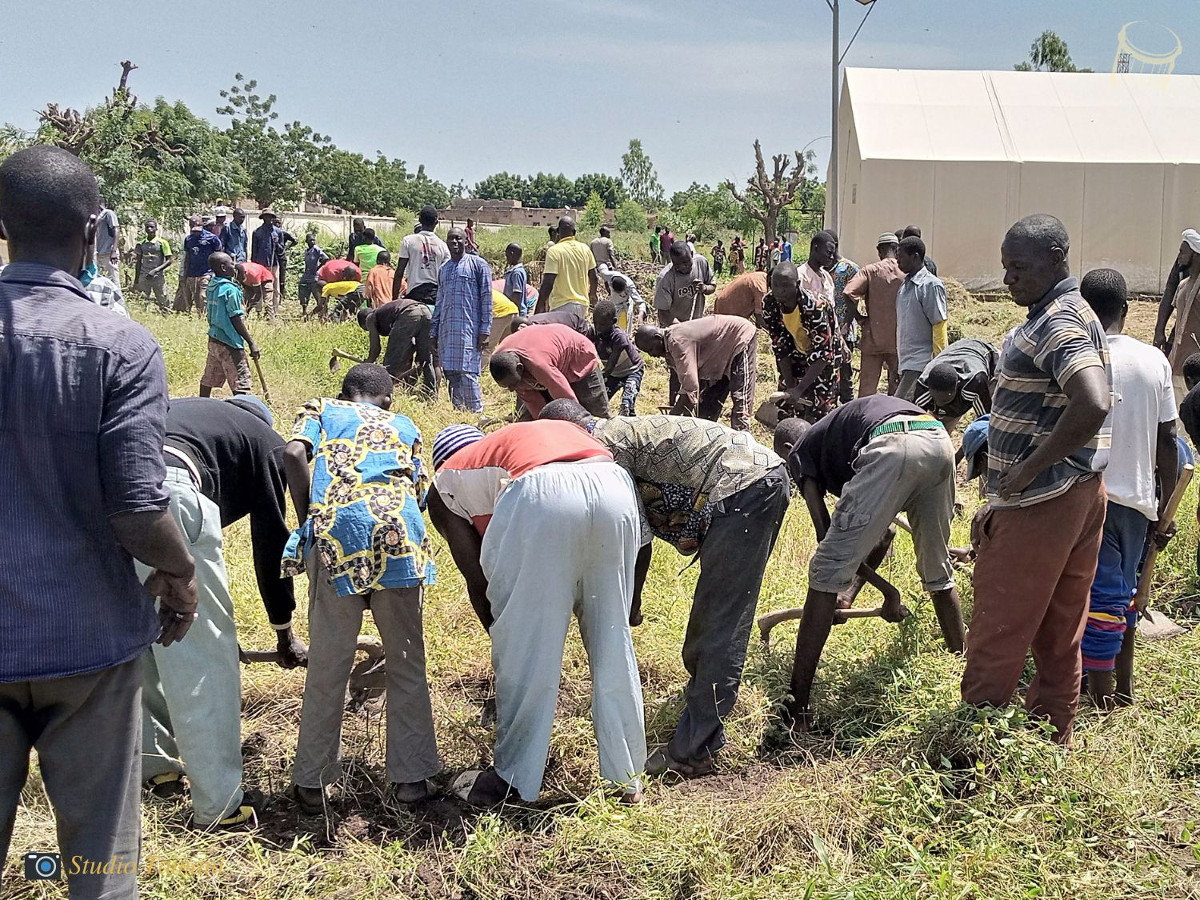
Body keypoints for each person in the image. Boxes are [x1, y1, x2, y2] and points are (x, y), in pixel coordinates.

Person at [0, 144, 198, 900]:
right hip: (85, 642)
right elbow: (138, 507)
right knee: (101, 862)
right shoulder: (121, 345)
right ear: (96, 232)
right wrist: (179, 576)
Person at [539, 402, 790, 776]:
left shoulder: (603, 449)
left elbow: (637, 537)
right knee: (711, 618)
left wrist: (632, 603)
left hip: (744, 487)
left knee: (721, 621)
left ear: (564, 433)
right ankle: (700, 716)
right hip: (749, 483)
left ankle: (694, 751)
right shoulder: (614, 436)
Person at [427, 420, 646, 805]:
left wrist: (507, 640)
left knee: (527, 649)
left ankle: (512, 781)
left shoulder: (444, 484)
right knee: (612, 641)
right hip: (613, 483)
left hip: (541, 493)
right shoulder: (510, 446)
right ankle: (626, 779)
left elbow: (479, 580)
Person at [960, 214, 1111, 747]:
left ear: (1055, 258)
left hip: (1042, 501)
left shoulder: (1058, 321)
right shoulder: (1066, 312)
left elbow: (1092, 400)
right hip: (1078, 495)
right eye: (1005, 267)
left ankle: (971, 756)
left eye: (1019, 267)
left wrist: (1026, 468)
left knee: (998, 628)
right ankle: (1051, 737)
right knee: (1058, 629)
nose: (1008, 279)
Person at [140, 396, 306, 829]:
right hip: (168, 494)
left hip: (110, 495)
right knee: (203, 653)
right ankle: (219, 807)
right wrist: (284, 630)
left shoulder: (192, 419)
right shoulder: (266, 440)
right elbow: (271, 542)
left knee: (141, 638)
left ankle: (157, 768)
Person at [282, 364, 439, 810]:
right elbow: (421, 491)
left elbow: (294, 454)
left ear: (344, 393)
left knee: (330, 660)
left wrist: (310, 518)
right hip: (399, 536)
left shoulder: (322, 408)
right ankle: (410, 781)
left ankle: (312, 784)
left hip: (338, 534)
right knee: (406, 659)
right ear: (388, 400)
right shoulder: (405, 424)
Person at [773, 398, 966, 727]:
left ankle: (798, 708)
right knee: (938, 570)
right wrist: (848, 595)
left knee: (824, 572)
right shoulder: (839, 435)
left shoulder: (802, 452)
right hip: (938, 440)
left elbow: (827, 541)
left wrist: (887, 592)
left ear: (789, 448)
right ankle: (968, 676)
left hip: (894, 443)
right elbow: (882, 534)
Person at [1077, 269, 1179, 708]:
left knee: (1099, 598)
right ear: (1126, 310)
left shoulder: (1078, 355)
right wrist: (1164, 507)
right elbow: (1169, 442)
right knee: (1127, 595)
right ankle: (1123, 688)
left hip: (1086, 495)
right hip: (1138, 500)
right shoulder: (1154, 360)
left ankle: (1098, 700)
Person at [635, 315, 757, 431]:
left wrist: (669, 421)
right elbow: (689, 386)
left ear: (658, 337)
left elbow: (690, 388)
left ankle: (743, 444)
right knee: (706, 409)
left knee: (741, 401)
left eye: (651, 349)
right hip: (718, 355)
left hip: (740, 337)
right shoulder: (668, 348)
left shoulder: (677, 341)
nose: (652, 355)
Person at [762, 259, 845, 423]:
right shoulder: (770, 303)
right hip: (795, 354)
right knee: (787, 407)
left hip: (823, 358)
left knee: (821, 413)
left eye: (785, 286)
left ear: (797, 284)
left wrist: (800, 389)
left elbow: (825, 353)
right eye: (775, 285)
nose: (779, 291)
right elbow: (780, 346)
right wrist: (791, 386)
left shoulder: (815, 307)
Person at [491, 323, 607, 419]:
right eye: (507, 387)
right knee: (530, 421)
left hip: (578, 357)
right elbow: (537, 409)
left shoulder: (539, 364)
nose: (511, 390)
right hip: (549, 360)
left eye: (513, 384)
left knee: (595, 415)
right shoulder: (500, 360)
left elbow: (569, 403)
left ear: (520, 368)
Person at [432, 226, 493, 411]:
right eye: (451, 239)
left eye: (459, 238)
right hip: (447, 330)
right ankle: (458, 413)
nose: (455, 242)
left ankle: (475, 413)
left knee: (468, 372)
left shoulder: (478, 265)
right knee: (450, 372)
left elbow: (487, 298)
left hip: (470, 330)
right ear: (446, 242)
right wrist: (433, 331)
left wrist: (485, 330)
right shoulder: (444, 269)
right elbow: (439, 301)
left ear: (466, 241)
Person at [843, 233, 903, 396]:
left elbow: (849, 292)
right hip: (899, 340)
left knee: (867, 390)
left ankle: (865, 419)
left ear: (879, 250)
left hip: (873, 338)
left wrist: (860, 318)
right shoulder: (906, 272)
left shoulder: (870, 271)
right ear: (897, 250)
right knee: (897, 389)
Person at [894, 236, 948, 401]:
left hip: (921, 363)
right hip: (906, 361)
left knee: (901, 408)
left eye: (901, 257)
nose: (897, 261)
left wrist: (938, 363)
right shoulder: (905, 285)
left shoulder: (930, 285)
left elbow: (939, 324)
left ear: (915, 256)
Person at [200, 252, 259, 397]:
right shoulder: (231, 290)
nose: (235, 267)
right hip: (229, 341)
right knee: (241, 381)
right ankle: (243, 411)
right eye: (231, 264)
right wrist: (251, 343)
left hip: (214, 339)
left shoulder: (212, 285)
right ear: (223, 268)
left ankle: (201, 404)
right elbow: (235, 318)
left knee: (209, 377)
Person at [1152, 228, 1200, 399]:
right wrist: (1159, 331)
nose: (1179, 255)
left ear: (1194, 253)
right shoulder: (1183, 284)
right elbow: (1170, 289)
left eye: (1182, 252)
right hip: (1178, 355)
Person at [914, 338, 1000, 429]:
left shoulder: (975, 383)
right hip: (955, 350)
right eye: (936, 400)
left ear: (957, 385)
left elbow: (986, 420)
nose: (940, 404)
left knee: (995, 420)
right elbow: (913, 424)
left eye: (944, 400)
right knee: (938, 431)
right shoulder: (922, 387)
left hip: (984, 353)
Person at [359, 298, 436, 395]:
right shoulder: (385, 313)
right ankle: (431, 395)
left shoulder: (370, 318)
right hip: (425, 311)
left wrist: (367, 363)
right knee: (426, 360)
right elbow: (410, 347)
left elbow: (375, 349)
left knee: (390, 363)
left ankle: (383, 395)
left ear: (363, 322)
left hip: (408, 313)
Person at [590, 299, 644, 416]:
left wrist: (599, 378)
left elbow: (610, 365)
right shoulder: (595, 333)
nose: (598, 327)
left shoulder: (619, 337)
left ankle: (629, 423)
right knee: (599, 402)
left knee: (627, 403)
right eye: (595, 323)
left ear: (613, 321)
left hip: (632, 371)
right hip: (614, 374)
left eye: (602, 324)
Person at [537, 216, 597, 312]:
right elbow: (594, 276)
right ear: (574, 233)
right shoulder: (585, 249)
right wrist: (592, 294)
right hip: (582, 306)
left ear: (558, 232)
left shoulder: (554, 251)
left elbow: (548, 282)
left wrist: (539, 307)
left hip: (561, 306)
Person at [395, 205, 450, 307]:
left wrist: (394, 301)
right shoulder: (443, 246)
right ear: (436, 222)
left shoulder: (408, 241)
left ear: (419, 220)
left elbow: (399, 273)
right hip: (435, 298)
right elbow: (447, 276)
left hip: (414, 296)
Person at [654, 240, 716, 325]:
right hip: (674, 327)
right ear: (672, 262)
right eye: (678, 265)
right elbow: (663, 313)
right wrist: (682, 329)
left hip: (697, 324)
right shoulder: (665, 278)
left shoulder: (701, 262)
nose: (684, 267)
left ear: (691, 254)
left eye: (687, 263)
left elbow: (712, 286)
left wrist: (704, 288)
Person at [830, 247, 861, 403]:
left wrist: (847, 324)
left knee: (845, 371)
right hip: (825, 330)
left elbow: (854, 299)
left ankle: (847, 405)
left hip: (844, 328)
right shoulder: (821, 269)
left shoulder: (850, 268)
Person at [176, 214, 222, 315]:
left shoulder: (212, 238)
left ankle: (204, 316)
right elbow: (187, 257)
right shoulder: (188, 239)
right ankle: (189, 315)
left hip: (206, 272)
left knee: (202, 296)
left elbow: (218, 255)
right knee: (190, 296)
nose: (196, 232)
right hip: (192, 273)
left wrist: (217, 272)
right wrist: (184, 273)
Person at [133, 218, 173, 309]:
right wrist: (136, 280)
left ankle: (166, 318)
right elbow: (138, 262)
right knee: (142, 301)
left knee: (163, 300)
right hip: (144, 276)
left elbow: (169, 260)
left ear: (156, 228)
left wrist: (156, 270)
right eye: (147, 227)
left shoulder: (162, 243)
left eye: (152, 227)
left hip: (158, 276)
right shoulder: (141, 244)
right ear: (145, 229)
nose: (150, 229)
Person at [298, 232, 330, 317]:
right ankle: (304, 311)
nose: (312, 242)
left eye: (313, 240)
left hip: (315, 276)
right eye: (310, 240)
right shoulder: (307, 251)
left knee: (318, 295)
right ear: (306, 241)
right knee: (303, 291)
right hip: (307, 275)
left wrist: (318, 268)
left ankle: (322, 313)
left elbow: (325, 258)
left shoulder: (316, 249)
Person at [503, 242, 532, 314]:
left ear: (512, 254)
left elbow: (517, 294)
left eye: (507, 256)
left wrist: (511, 311)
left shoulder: (517, 273)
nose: (507, 259)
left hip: (515, 312)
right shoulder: (517, 271)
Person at [95, 197, 120, 280]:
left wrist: (113, 251)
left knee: (113, 280)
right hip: (99, 254)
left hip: (108, 253)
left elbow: (116, 230)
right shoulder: (97, 216)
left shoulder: (108, 213)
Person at [273, 221, 297, 297]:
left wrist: (286, 247)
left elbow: (295, 241)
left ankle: (281, 296)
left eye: (278, 223)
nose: (277, 224)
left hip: (281, 257)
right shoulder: (270, 233)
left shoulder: (283, 233)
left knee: (281, 277)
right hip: (272, 257)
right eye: (275, 222)